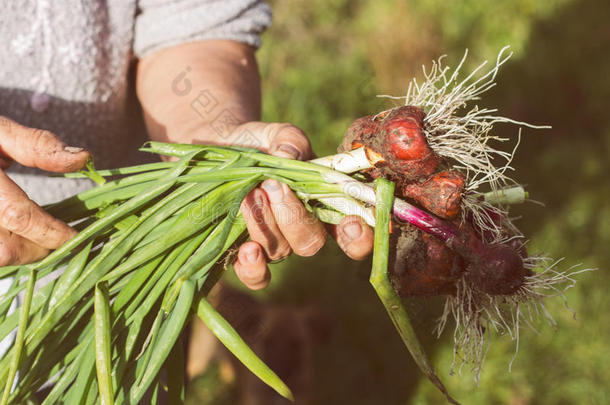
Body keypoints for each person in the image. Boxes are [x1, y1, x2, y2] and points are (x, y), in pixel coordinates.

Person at [0, 0, 374, 388]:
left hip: (137, 274)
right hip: (88, 269)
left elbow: (188, 21)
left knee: (126, 382)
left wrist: (215, 145)